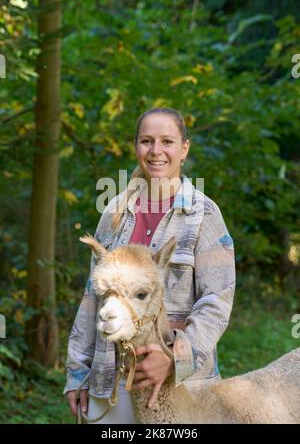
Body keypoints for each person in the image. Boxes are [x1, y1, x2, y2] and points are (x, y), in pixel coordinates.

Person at [64, 107, 236, 424]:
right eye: (147, 141)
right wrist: (78, 371)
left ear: (184, 149)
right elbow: (92, 298)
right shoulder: (114, 214)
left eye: (167, 141)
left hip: (183, 387)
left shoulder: (204, 215)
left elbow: (216, 301)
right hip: (111, 381)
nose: (156, 151)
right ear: (136, 147)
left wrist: (175, 360)